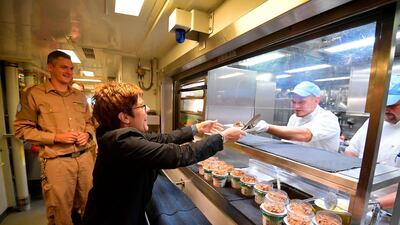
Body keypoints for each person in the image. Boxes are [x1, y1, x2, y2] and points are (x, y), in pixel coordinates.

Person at [82, 82, 245, 225]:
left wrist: (197, 128)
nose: (148, 110)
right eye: (142, 106)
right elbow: (179, 154)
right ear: (125, 117)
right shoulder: (121, 142)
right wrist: (223, 137)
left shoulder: (119, 133)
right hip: (112, 219)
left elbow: (163, 138)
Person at [13, 50, 96, 225]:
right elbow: (21, 130)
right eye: (63, 67)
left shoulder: (80, 96)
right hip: (57, 162)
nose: (69, 72)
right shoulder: (34, 94)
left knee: (91, 206)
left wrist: (87, 134)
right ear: (50, 68)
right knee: (60, 212)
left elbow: (90, 122)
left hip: (85, 160)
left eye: (71, 68)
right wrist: (56, 137)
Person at [345, 83, 400, 209]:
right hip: (359, 196)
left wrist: (372, 205)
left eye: (392, 105)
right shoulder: (374, 120)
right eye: (383, 104)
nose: (386, 109)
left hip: (390, 210)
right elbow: (351, 152)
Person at [247, 81, 341, 152]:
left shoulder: (328, 118)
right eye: (294, 102)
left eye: (301, 102)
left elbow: (305, 134)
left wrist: (267, 127)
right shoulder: (294, 118)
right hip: (295, 169)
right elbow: (287, 142)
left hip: (318, 173)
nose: (296, 107)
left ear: (316, 100)